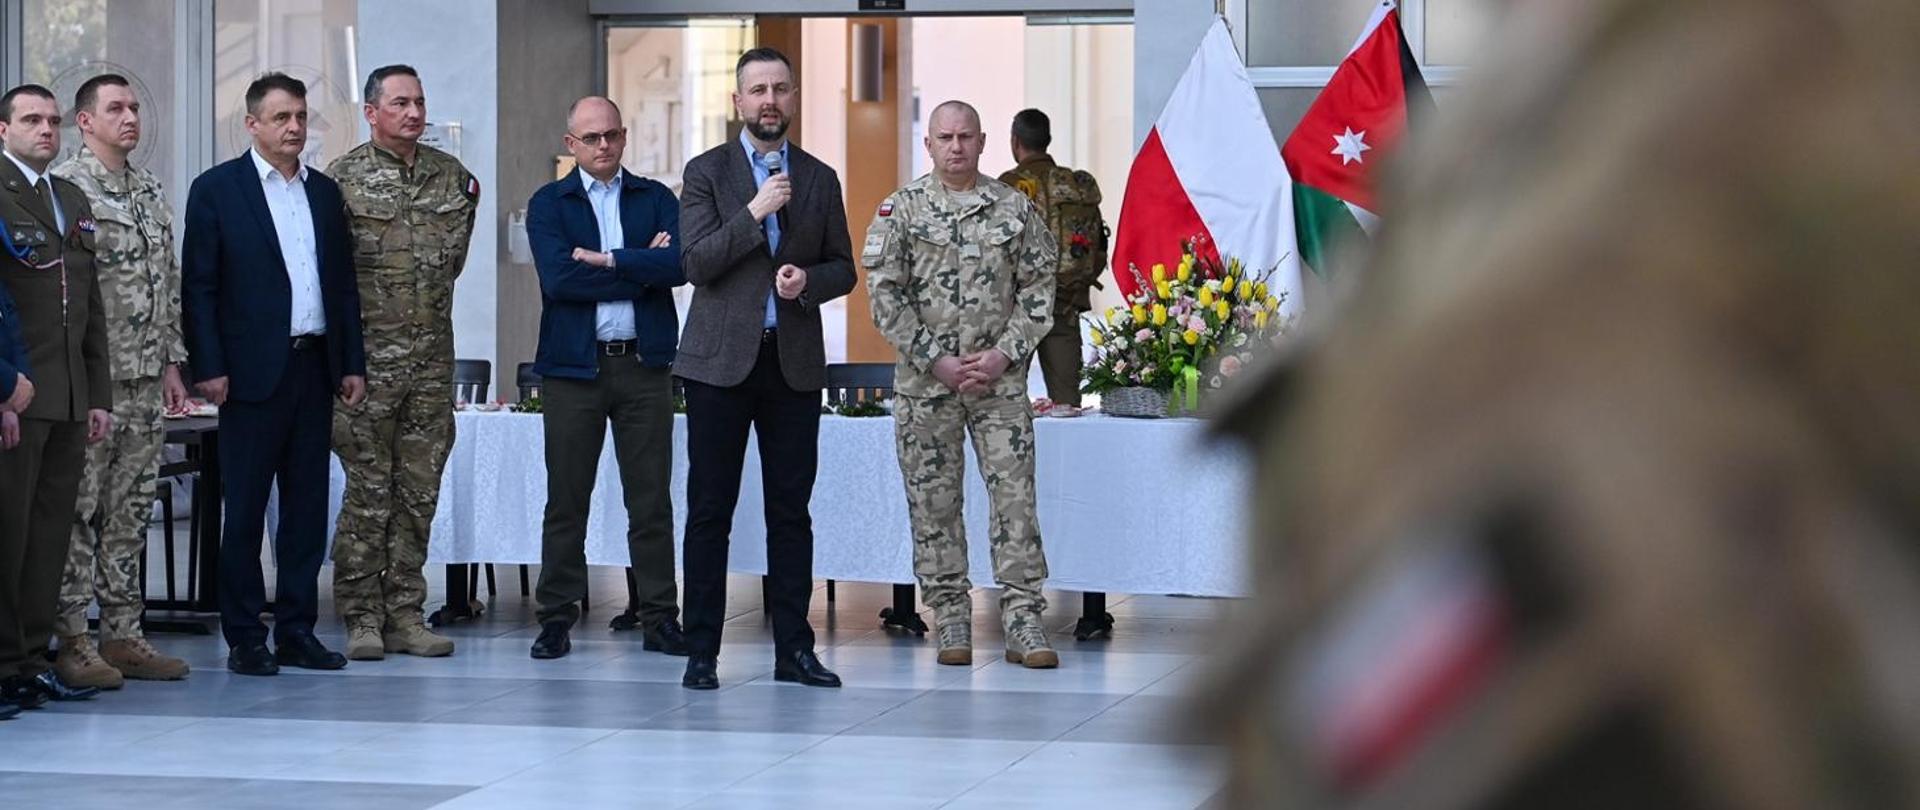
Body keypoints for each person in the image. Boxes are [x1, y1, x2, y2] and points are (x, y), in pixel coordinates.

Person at [675, 47, 855, 691]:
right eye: (757, 90)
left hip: (792, 365)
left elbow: (844, 267)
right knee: (710, 510)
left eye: (780, 88)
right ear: (738, 102)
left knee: (790, 512)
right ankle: (701, 650)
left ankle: (794, 651)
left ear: (794, 97)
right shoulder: (706, 172)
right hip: (718, 367)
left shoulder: (819, 178)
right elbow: (696, 263)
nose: (769, 100)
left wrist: (808, 281)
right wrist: (754, 211)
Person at [862, 100, 1060, 669]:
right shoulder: (901, 209)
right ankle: (950, 614)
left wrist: (1003, 354)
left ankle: (1023, 620)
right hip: (927, 389)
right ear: (928, 144)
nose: (956, 146)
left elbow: (1040, 288)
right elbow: (885, 297)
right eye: (945, 137)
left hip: (999, 389)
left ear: (983, 142)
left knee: (1015, 503)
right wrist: (936, 361)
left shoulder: (1014, 208)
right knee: (934, 505)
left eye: (966, 137)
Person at [181, 72, 366, 677]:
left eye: (301, 117)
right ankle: (244, 636)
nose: (294, 128)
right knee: (246, 508)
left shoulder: (323, 193)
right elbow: (199, 287)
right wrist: (208, 367)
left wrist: (351, 363)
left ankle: (296, 630)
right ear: (252, 124)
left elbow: (342, 286)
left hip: (314, 367)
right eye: (281, 117)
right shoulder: (217, 190)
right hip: (249, 376)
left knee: (307, 509)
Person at [523, 95, 685, 661]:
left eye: (612, 134)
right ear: (571, 144)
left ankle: (660, 616)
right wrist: (641, 265)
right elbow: (560, 281)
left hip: (644, 366)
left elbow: (680, 266)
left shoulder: (656, 197)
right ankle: (555, 618)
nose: (603, 146)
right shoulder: (549, 204)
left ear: (624, 136)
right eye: (591, 138)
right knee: (567, 500)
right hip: (574, 369)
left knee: (651, 501)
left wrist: (608, 260)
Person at [326, 65, 477, 661]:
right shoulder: (340, 182)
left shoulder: (454, 180)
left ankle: (406, 613)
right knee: (369, 493)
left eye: (419, 102)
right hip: (366, 369)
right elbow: (331, 281)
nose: (413, 113)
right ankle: (361, 615)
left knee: (418, 493)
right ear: (371, 112)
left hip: (431, 366)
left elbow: (451, 267)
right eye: (399, 103)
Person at [48, 74, 193, 689]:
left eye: (134, 107)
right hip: (96, 381)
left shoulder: (149, 188)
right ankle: (72, 639)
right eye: (116, 109)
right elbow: (63, 294)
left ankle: (124, 634)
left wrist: (172, 362)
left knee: (132, 511)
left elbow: (168, 280)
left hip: (146, 378)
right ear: (85, 121)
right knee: (81, 511)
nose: (130, 117)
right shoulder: (66, 189)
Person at [0, 83, 111, 710]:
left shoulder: (70, 197)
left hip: (67, 396)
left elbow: (89, 304)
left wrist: (96, 393)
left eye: (52, 120)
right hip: (17, 396)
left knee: (47, 539)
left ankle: (26, 660)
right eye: (31, 120)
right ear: (3, 130)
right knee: (8, 535)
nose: (46, 130)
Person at [997, 108, 1106, 411]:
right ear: (1048, 139)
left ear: (1015, 141)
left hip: (1018, 311)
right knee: (1068, 405)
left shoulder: (1007, 185)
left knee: (1004, 404)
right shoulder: (1077, 186)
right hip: (1065, 305)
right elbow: (1099, 246)